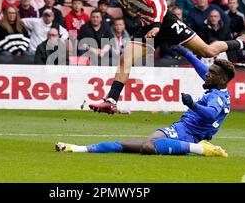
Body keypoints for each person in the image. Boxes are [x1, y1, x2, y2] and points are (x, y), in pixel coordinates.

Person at [77, 0, 245, 114]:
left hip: (165, 21)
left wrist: (157, 25)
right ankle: (111, 101)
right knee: (126, 59)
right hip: (149, 26)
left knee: (207, 51)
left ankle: (242, 42)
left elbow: (158, 3)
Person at [56, 45, 231, 158]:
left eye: (212, 73)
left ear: (221, 79)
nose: (207, 74)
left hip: (189, 133)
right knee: (128, 145)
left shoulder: (217, 98)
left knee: (148, 146)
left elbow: (211, 114)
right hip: (183, 128)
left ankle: (202, 149)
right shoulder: (219, 87)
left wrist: (192, 104)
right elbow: (203, 70)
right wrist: (187, 53)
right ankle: (77, 148)